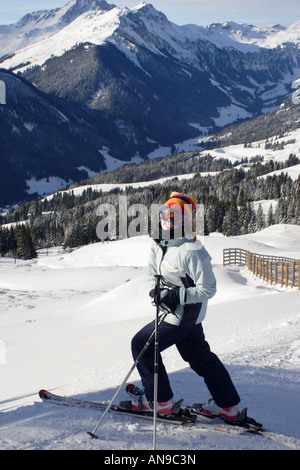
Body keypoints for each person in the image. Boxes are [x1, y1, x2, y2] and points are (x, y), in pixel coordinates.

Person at [123, 192, 240, 420]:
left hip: (183, 314)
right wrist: (154, 291)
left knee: (142, 346)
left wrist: (176, 296)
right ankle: (228, 407)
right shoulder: (159, 243)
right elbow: (152, 274)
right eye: (164, 213)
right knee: (199, 358)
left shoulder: (192, 250)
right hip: (178, 314)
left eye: (174, 215)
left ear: (186, 220)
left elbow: (208, 289)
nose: (167, 219)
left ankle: (161, 402)